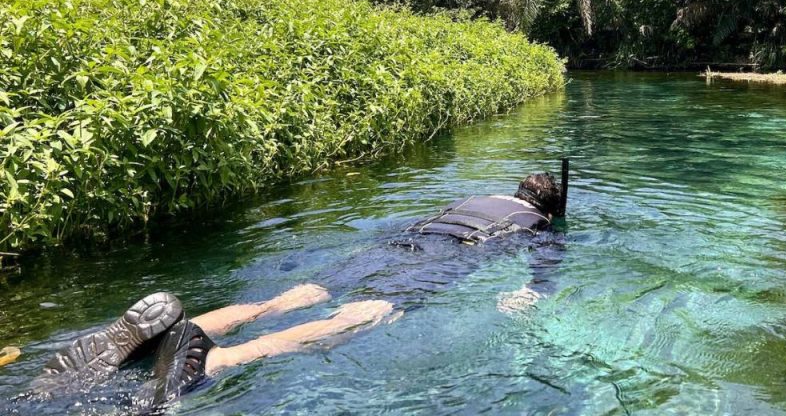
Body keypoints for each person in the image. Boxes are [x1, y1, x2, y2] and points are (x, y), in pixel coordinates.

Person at [29, 170, 567, 412]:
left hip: (392, 244)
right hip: (438, 260)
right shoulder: (538, 224)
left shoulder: (471, 197)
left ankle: (163, 334)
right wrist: (532, 291)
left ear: (516, 188)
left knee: (285, 299)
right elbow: (545, 265)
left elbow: (403, 223)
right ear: (547, 207)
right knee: (362, 317)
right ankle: (212, 363)